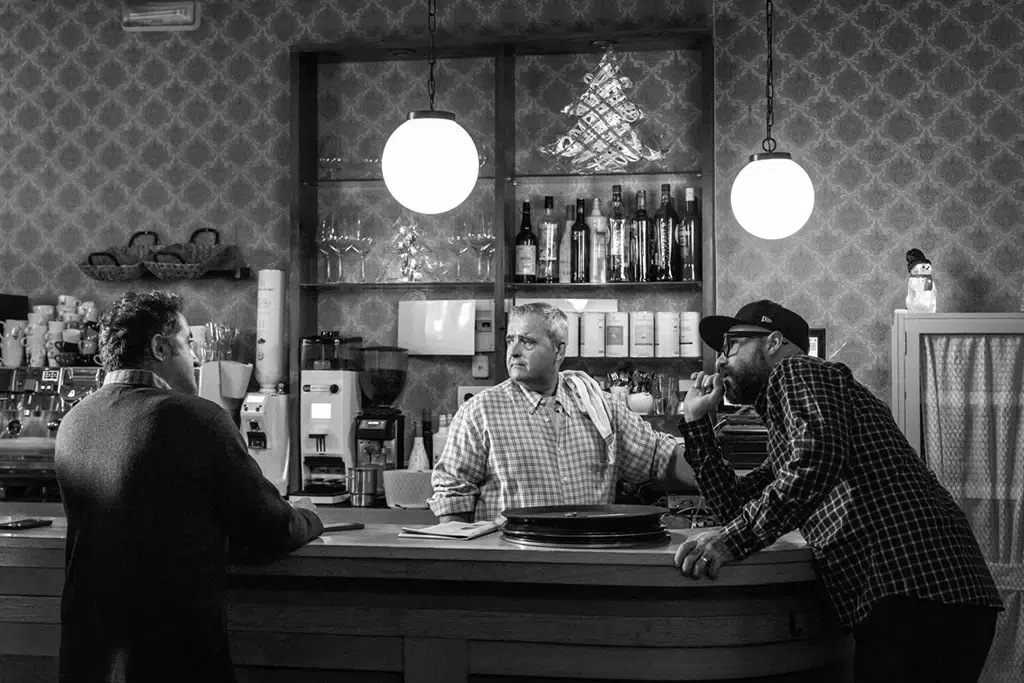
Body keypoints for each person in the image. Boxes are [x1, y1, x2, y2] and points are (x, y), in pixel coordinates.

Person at [671, 299, 1003, 683]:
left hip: (917, 589)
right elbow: (734, 507)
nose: (720, 361)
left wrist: (730, 541)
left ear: (774, 342)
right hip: (924, 595)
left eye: (731, 344)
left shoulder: (798, 371)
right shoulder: (791, 433)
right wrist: (696, 422)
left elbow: (817, 459)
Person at [54, 291, 324, 683]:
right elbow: (270, 528)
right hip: (169, 656)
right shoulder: (195, 417)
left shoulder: (73, 422)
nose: (197, 358)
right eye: (188, 343)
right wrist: (310, 516)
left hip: (88, 658)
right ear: (159, 347)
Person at [429, 302, 695, 522]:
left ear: (559, 350)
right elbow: (454, 499)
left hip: (586, 563)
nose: (514, 351)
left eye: (528, 342)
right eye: (510, 340)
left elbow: (660, 456)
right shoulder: (479, 412)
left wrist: (725, 476)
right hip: (512, 564)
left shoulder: (601, 408)